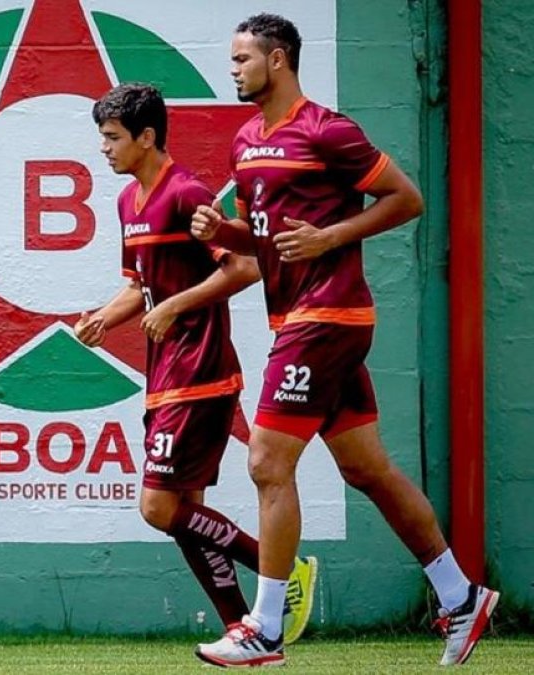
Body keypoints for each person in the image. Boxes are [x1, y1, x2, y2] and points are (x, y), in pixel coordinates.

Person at [191, 14, 499, 668]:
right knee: (366, 468)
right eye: (232, 59)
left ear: (278, 60)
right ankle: (460, 593)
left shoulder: (326, 129)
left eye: (243, 58)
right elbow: (268, 238)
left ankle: (266, 628)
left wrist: (331, 237)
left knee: (267, 461)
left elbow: (406, 198)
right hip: (298, 319)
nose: (234, 69)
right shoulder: (244, 141)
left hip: (326, 317)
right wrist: (224, 230)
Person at [76, 82, 318, 647]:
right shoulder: (125, 202)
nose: (104, 149)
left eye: (112, 138)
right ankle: (248, 634)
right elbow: (140, 287)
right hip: (164, 375)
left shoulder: (185, 192)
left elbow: (243, 269)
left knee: (159, 508)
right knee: (188, 517)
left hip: (200, 370)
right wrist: (102, 320)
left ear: (147, 137)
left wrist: (178, 306)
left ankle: (280, 572)